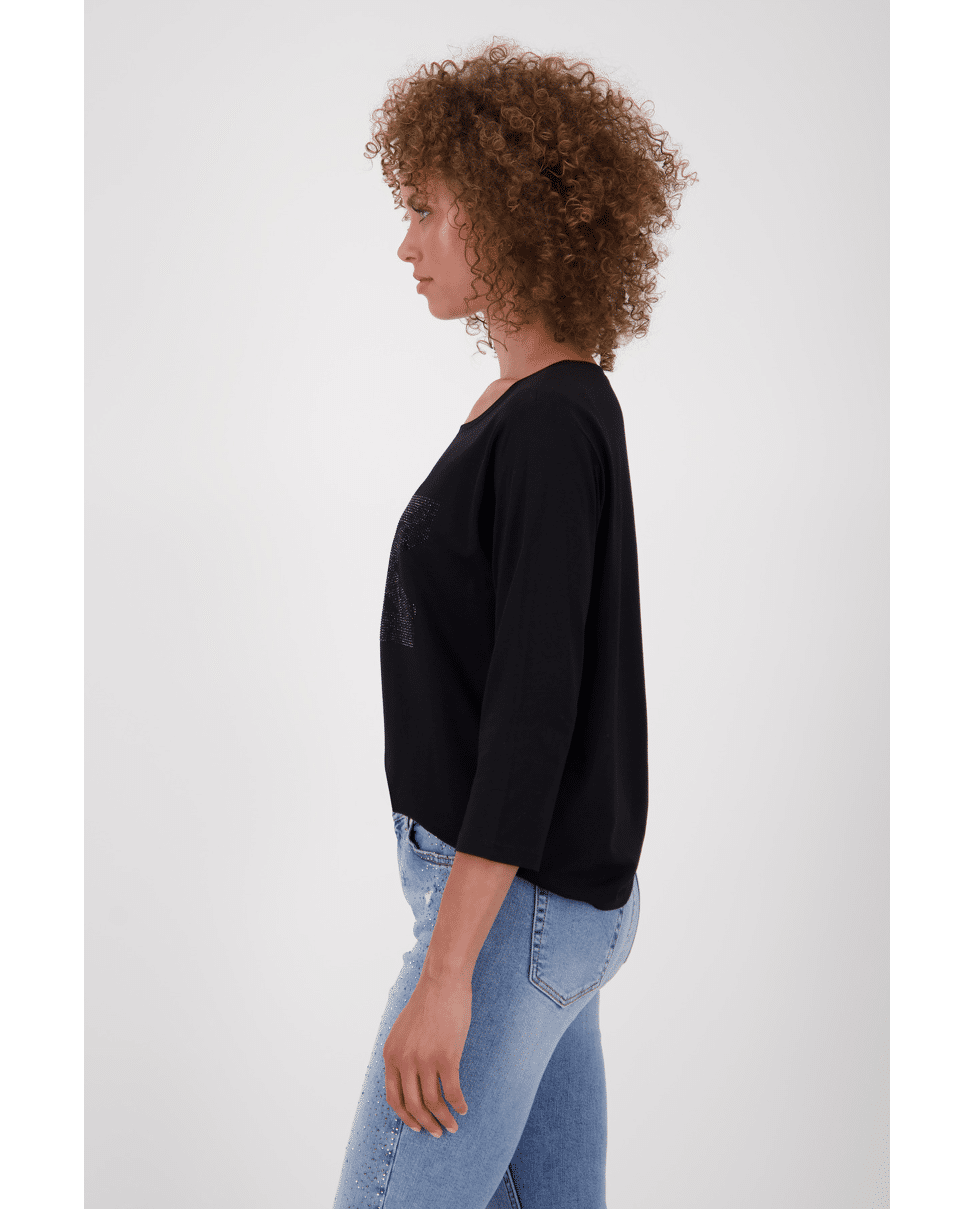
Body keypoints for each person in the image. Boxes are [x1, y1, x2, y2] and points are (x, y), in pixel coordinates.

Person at [332, 37, 696, 1209]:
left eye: (425, 209)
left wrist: (450, 976)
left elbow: (535, 709)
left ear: (501, 215)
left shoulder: (545, 424)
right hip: (552, 914)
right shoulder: (550, 406)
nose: (406, 244)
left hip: (507, 917)